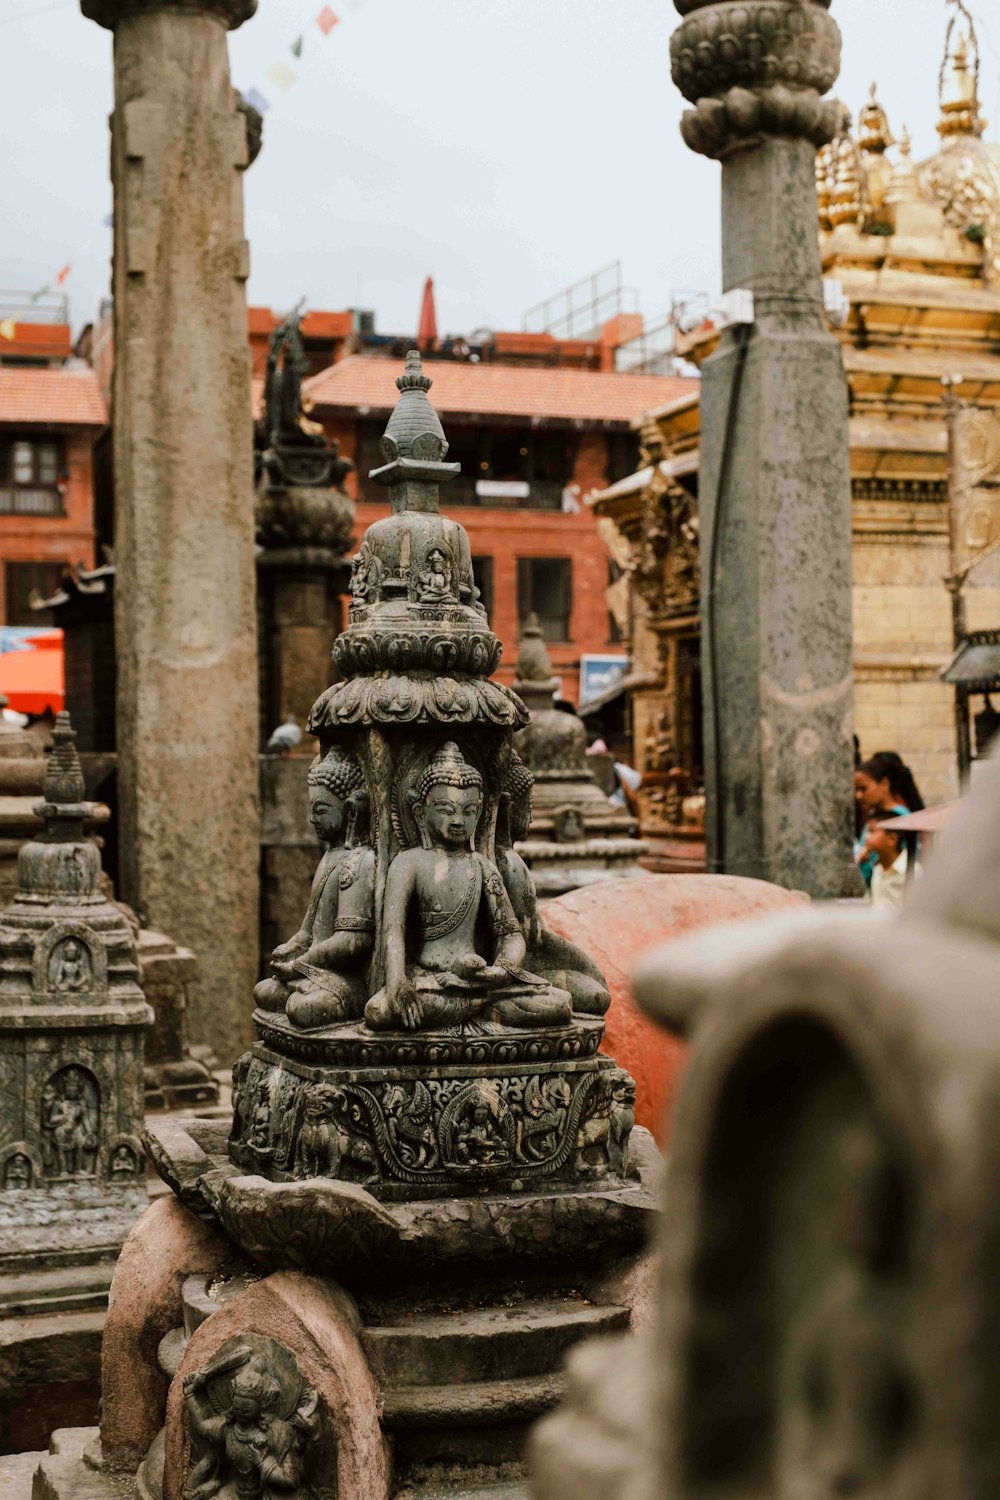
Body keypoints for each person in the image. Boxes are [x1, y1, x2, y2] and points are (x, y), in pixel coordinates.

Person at [853, 752, 923, 889]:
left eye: (863, 789)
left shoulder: (902, 819)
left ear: (884, 784)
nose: (859, 795)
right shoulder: (873, 815)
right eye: (856, 790)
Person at [865, 813, 909, 910]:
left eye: (872, 831)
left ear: (891, 839)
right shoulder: (877, 867)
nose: (866, 837)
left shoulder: (911, 871)